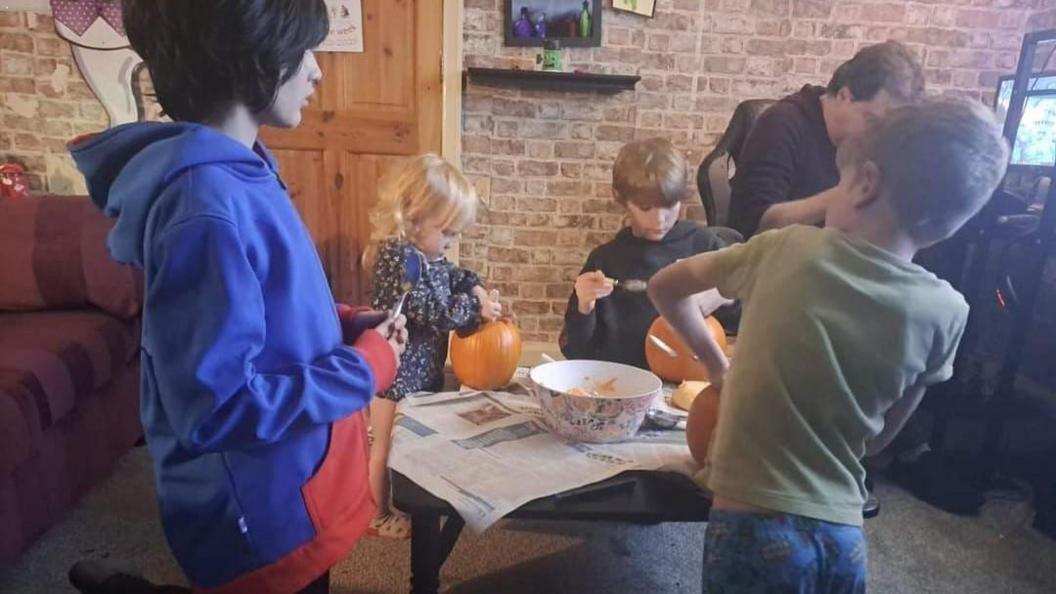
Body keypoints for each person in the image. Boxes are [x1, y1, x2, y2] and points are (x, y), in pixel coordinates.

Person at [67, 2, 407, 593]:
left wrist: (342, 323)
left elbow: (265, 305)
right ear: (249, 55)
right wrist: (363, 369)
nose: (317, 72)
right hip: (260, 519)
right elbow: (217, 408)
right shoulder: (204, 205)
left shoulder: (244, 167)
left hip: (290, 486)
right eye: (303, 52)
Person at [650, 98, 1009, 593]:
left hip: (753, 529)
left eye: (836, 185)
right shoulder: (949, 312)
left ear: (864, 184)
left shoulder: (785, 248)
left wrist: (717, 366)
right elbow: (880, 439)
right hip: (843, 533)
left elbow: (664, 287)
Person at [365, 154, 502, 539]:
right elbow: (433, 312)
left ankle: (407, 503)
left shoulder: (430, 255)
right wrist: (476, 306)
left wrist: (473, 286)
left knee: (407, 447)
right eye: (447, 233)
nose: (451, 243)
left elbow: (453, 275)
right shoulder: (400, 259)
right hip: (393, 374)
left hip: (420, 371)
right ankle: (376, 514)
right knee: (383, 450)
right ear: (414, 217)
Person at [560, 138, 731, 369]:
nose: (659, 220)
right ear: (622, 200)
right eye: (645, 208)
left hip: (690, 384)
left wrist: (722, 291)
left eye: (669, 206)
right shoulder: (606, 261)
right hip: (623, 383)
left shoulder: (705, 246)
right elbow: (577, 352)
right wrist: (584, 306)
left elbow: (750, 314)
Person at [727, 40, 925, 239]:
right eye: (872, 120)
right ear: (844, 96)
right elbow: (752, 225)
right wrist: (844, 196)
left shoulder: (871, 143)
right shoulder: (781, 124)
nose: (878, 135)